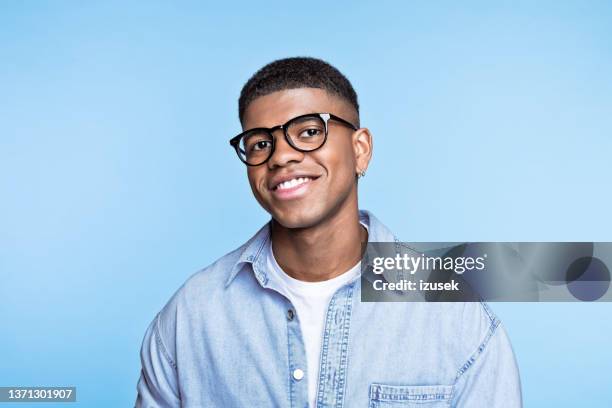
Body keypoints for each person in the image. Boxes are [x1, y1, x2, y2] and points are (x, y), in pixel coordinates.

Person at [135, 57, 522, 407]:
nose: (281, 156)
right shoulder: (189, 317)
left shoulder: (456, 317)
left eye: (307, 132)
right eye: (260, 144)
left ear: (360, 150)